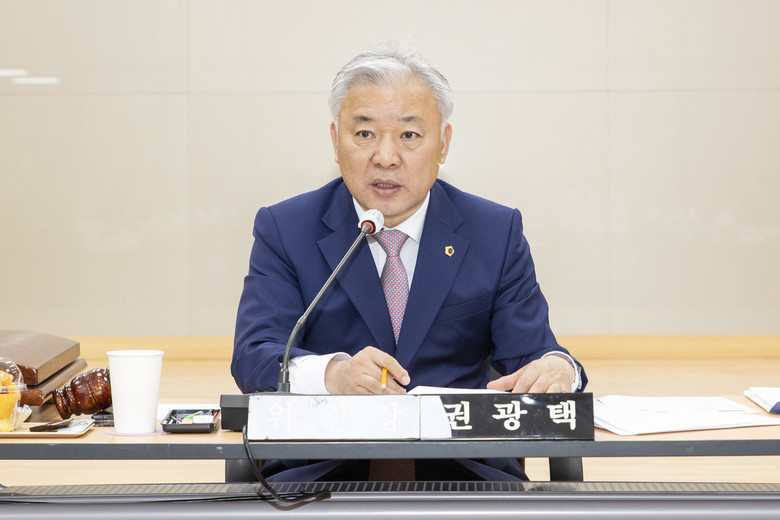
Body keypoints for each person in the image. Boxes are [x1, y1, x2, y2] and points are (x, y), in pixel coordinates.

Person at [232, 42, 587, 482]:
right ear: (335, 140)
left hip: (466, 476)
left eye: (409, 135)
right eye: (364, 134)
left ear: (443, 143)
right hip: (321, 477)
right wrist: (334, 375)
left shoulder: (494, 232)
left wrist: (559, 369)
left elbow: (534, 355)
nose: (385, 157)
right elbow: (254, 355)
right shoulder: (287, 229)